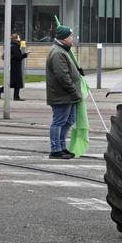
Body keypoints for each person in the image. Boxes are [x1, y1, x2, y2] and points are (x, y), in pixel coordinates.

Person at [46, 25, 82, 160]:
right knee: (59, 121)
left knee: (69, 120)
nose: (73, 38)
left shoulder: (63, 50)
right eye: (71, 36)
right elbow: (62, 76)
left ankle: (61, 147)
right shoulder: (57, 52)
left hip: (68, 95)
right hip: (62, 94)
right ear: (65, 38)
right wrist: (73, 91)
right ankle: (55, 149)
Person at [0, 33, 28, 101]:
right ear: (16, 39)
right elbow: (18, 57)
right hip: (14, 66)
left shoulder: (14, 45)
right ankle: (14, 96)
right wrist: (26, 54)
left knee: (14, 82)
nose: (20, 39)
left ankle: (2, 91)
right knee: (15, 82)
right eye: (19, 37)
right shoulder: (14, 46)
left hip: (14, 65)